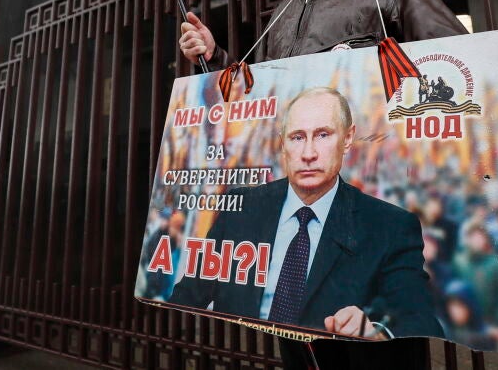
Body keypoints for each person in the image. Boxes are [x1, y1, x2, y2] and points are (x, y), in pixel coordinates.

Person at [179, 0, 498, 369]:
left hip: (368, 234)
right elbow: (260, 101)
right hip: (295, 246)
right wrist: (215, 57)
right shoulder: (283, 13)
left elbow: (468, 75)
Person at [171, 87, 441, 340]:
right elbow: (185, 301)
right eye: (297, 137)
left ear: (347, 138)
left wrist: (377, 333)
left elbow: (422, 325)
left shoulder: (390, 227)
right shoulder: (241, 207)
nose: (308, 153)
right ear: (283, 144)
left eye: (323, 135)